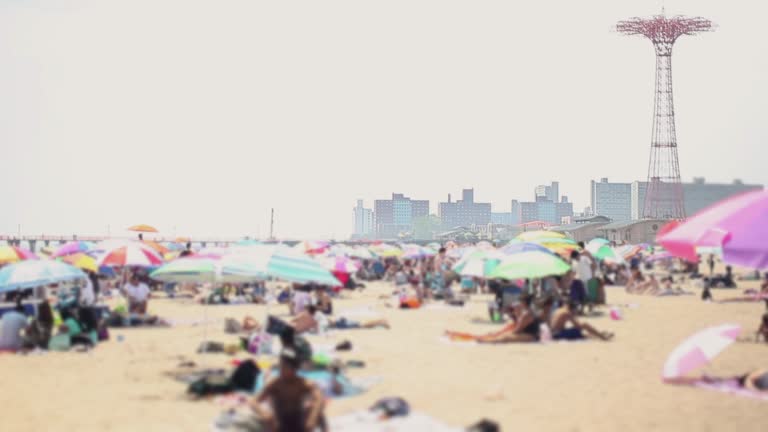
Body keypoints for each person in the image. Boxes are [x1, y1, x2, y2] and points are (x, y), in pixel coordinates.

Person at [251, 347, 325, 432]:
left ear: (294, 369)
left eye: (285, 366)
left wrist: (313, 417)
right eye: (281, 365)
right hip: (278, 422)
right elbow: (254, 401)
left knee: (314, 410)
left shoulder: (302, 383)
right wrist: (264, 413)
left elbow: (319, 398)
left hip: (298, 420)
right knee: (262, 419)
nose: (281, 369)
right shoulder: (275, 383)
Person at [447, 294, 540, 343]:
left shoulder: (526, 314)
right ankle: (481, 338)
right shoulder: (526, 312)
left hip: (530, 336)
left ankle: (484, 341)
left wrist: (504, 332)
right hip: (526, 333)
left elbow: (517, 330)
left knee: (504, 337)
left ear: (523, 303)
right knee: (496, 334)